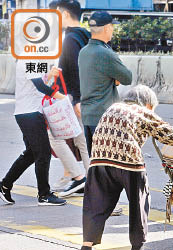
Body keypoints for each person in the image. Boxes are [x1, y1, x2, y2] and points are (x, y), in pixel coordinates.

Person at [81, 85, 173, 250]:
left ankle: (86, 245)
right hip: (127, 160)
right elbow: (171, 136)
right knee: (139, 202)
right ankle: (137, 245)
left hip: (98, 161)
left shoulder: (113, 107)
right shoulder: (143, 112)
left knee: (95, 203)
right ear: (148, 103)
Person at [0, 62, 67, 206]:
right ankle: (44, 195)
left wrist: (50, 75)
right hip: (29, 113)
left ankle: (5, 185)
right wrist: (64, 98)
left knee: (32, 153)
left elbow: (39, 82)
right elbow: (40, 86)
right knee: (43, 154)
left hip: (31, 112)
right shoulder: (27, 59)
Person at [46, 0, 91, 197]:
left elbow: (75, 71)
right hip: (86, 95)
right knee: (82, 140)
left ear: (63, 14)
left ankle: (81, 178)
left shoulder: (70, 39)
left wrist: (76, 100)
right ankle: (87, 180)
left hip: (75, 97)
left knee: (57, 137)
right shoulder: (87, 36)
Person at [78, 11, 130, 156]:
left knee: (95, 164)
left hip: (88, 116)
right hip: (104, 118)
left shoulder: (84, 52)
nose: (113, 30)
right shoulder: (106, 54)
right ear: (107, 28)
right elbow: (127, 77)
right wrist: (114, 78)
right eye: (112, 27)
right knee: (107, 165)